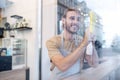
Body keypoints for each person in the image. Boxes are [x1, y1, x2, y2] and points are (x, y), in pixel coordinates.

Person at [46, 8, 99, 80]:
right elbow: (62, 66)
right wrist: (84, 44)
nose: (75, 22)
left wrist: (91, 43)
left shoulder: (81, 40)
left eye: (78, 19)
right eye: (72, 18)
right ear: (64, 20)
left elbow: (94, 63)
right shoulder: (53, 41)